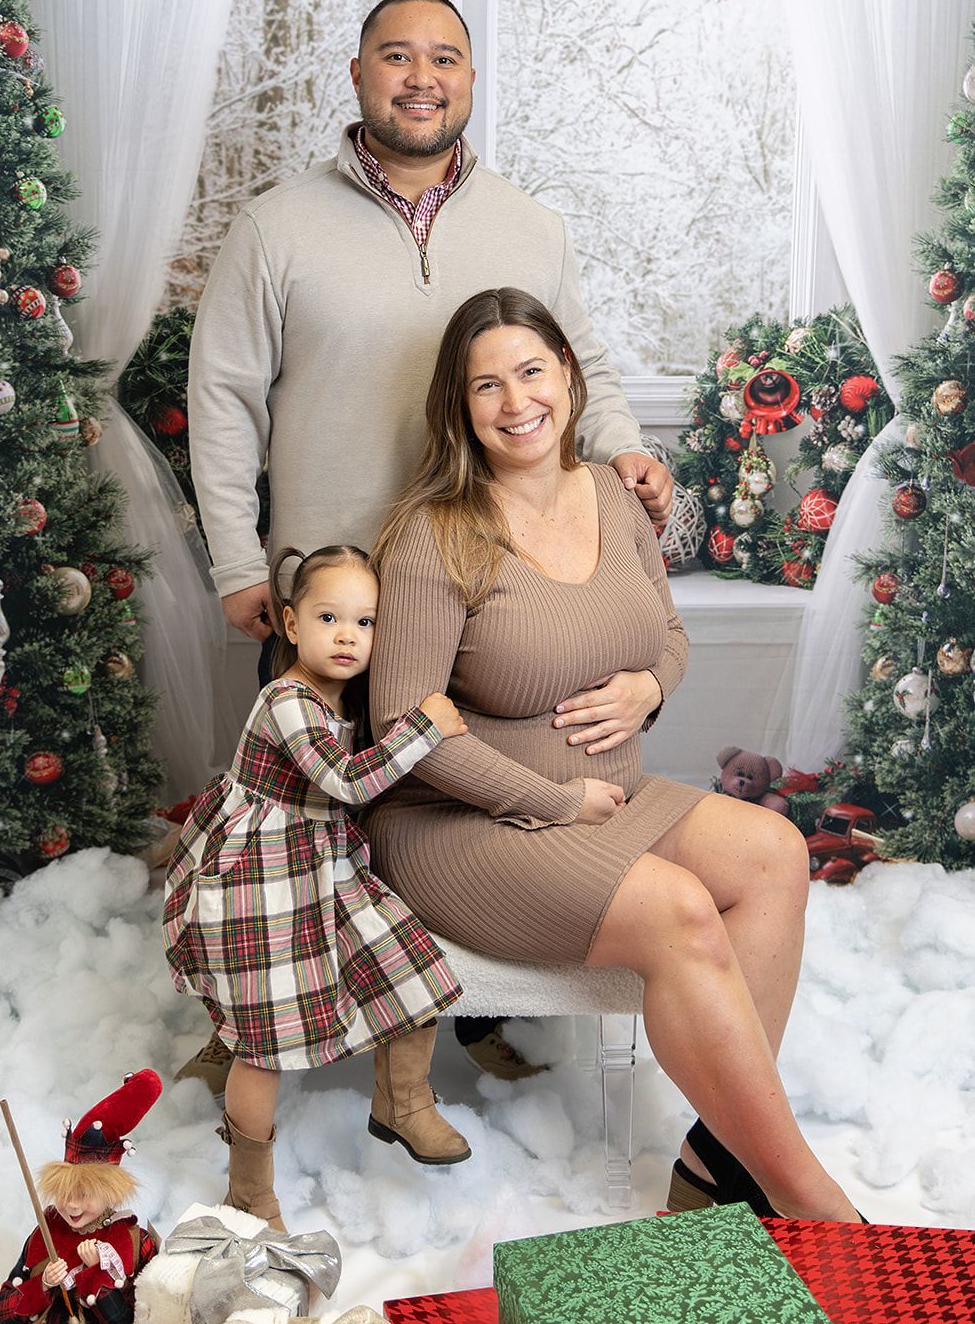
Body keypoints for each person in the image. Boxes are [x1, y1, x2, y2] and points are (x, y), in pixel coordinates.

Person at [185, 0, 673, 1086]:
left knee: (464, 789)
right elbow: (221, 400)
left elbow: (571, 360)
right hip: (333, 594)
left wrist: (628, 448)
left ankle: (470, 1005)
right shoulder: (276, 225)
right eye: (396, 57)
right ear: (357, 76)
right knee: (300, 818)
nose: (421, 78)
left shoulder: (526, 223)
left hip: (482, 582)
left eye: (444, 59)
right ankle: (246, 1033)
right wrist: (231, 561)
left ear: (469, 79)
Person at [366, 287, 864, 1223]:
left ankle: (716, 1165)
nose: (515, 403)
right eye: (485, 386)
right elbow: (402, 727)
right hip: (461, 822)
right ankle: (807, 1198)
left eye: (530, 371)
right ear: (457, 406)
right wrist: (549, 804)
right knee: (679, 912)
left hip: (606, 794)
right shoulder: (436, 532)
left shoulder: (608, 492)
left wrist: (649, 687)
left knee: (774, 852)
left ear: (569, 376)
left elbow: (666, 631)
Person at [162, 544, 471, 1234]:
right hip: (258, 878)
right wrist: (427, 727)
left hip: (322, 863)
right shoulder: (287, 700)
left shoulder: (342, 698)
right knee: (264, 1044)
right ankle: (250, 1190)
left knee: (409, 966)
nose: (346, 635)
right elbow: (347, 782)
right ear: (292, 624)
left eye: (364, 623)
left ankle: (403, 1102)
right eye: (329, 616)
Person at [0, 1070, 162, 1323]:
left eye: (84, 1195)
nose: (71, 1204)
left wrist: (96, 1274)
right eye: (64, 1193)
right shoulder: (46, 1233)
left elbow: (141, 1318)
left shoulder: (136, 1242)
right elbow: (1, 1311)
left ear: (110, 1193)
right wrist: (43, 1285)